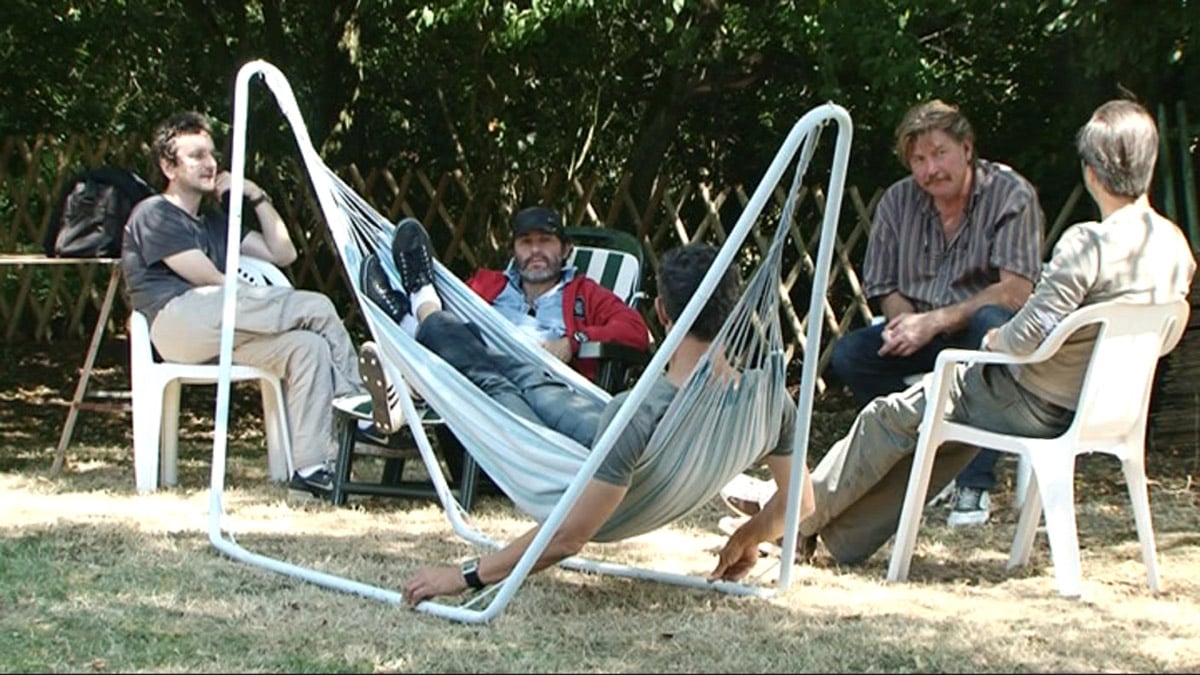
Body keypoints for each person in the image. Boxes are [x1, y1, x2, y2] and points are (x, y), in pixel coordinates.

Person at [794, 98, 1195, 565]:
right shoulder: (1173, 245)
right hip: (1100, 406)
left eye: (938, 154)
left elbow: (1028, 332)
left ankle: (789, 515)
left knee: (887, 417)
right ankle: (838, 541)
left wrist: (991, 342)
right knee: (936, 440)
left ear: (1090, 171)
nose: (928, 168)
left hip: (1033, 403)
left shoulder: (1088, 244)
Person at [359, 218, 811, 603]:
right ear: (733, 312)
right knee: (526, 371)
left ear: (661, 311)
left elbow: (567, 536)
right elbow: (802, 502)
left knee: (490, 381)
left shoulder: (641, 413)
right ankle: (414, 318)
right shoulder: (768, 399)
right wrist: (749, 535)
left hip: (581, 464)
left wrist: (463, 576)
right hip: (608, 435)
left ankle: (419, 309)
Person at [723, 100, 1045, 526]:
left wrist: (934, 322)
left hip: (979, 332)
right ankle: (913, 461)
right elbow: (883, 286)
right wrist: (904, 324)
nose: (931, 168)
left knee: (986, 336)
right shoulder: (898, 202)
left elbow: (1015, 292)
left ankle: (973, 482)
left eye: (940, 153)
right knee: (852, 356)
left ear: (967, 149)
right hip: (920, 329)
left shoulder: (1010, 194)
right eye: (919, 159)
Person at [120, 111, 364, 498]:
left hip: (225, 327)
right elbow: (206, 277)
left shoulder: (216, 222)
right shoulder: (154, 213)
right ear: (168, 165)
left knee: (309, 348)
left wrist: (255, 195)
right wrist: (266, 301)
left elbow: (282, 253)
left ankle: (312, 468)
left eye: (212, 154)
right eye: (196, 155)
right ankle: (359, 406)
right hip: (177, 320)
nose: (210, 163)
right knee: (315, 306)